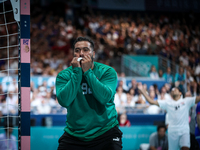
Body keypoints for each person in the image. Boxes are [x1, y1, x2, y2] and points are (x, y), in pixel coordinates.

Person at [56, 37, 122, 150]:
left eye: (86, 49)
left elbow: (105, 98)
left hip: (105, 132)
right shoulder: (64, 75)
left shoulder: (107, 72)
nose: (81, 53)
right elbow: (64, 101)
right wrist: (77, 72)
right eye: (77, 50)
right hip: (75, 134)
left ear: (93, 54)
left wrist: (87, 72)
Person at [138, 84, 200, 150]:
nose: (173, 90)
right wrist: (143, 92)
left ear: (180, 93)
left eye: (175, 89)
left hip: (184, 131)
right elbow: (151, 102)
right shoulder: (167, 103)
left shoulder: (187, 101)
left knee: (185, 148)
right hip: (172, 132)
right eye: (172, 90)